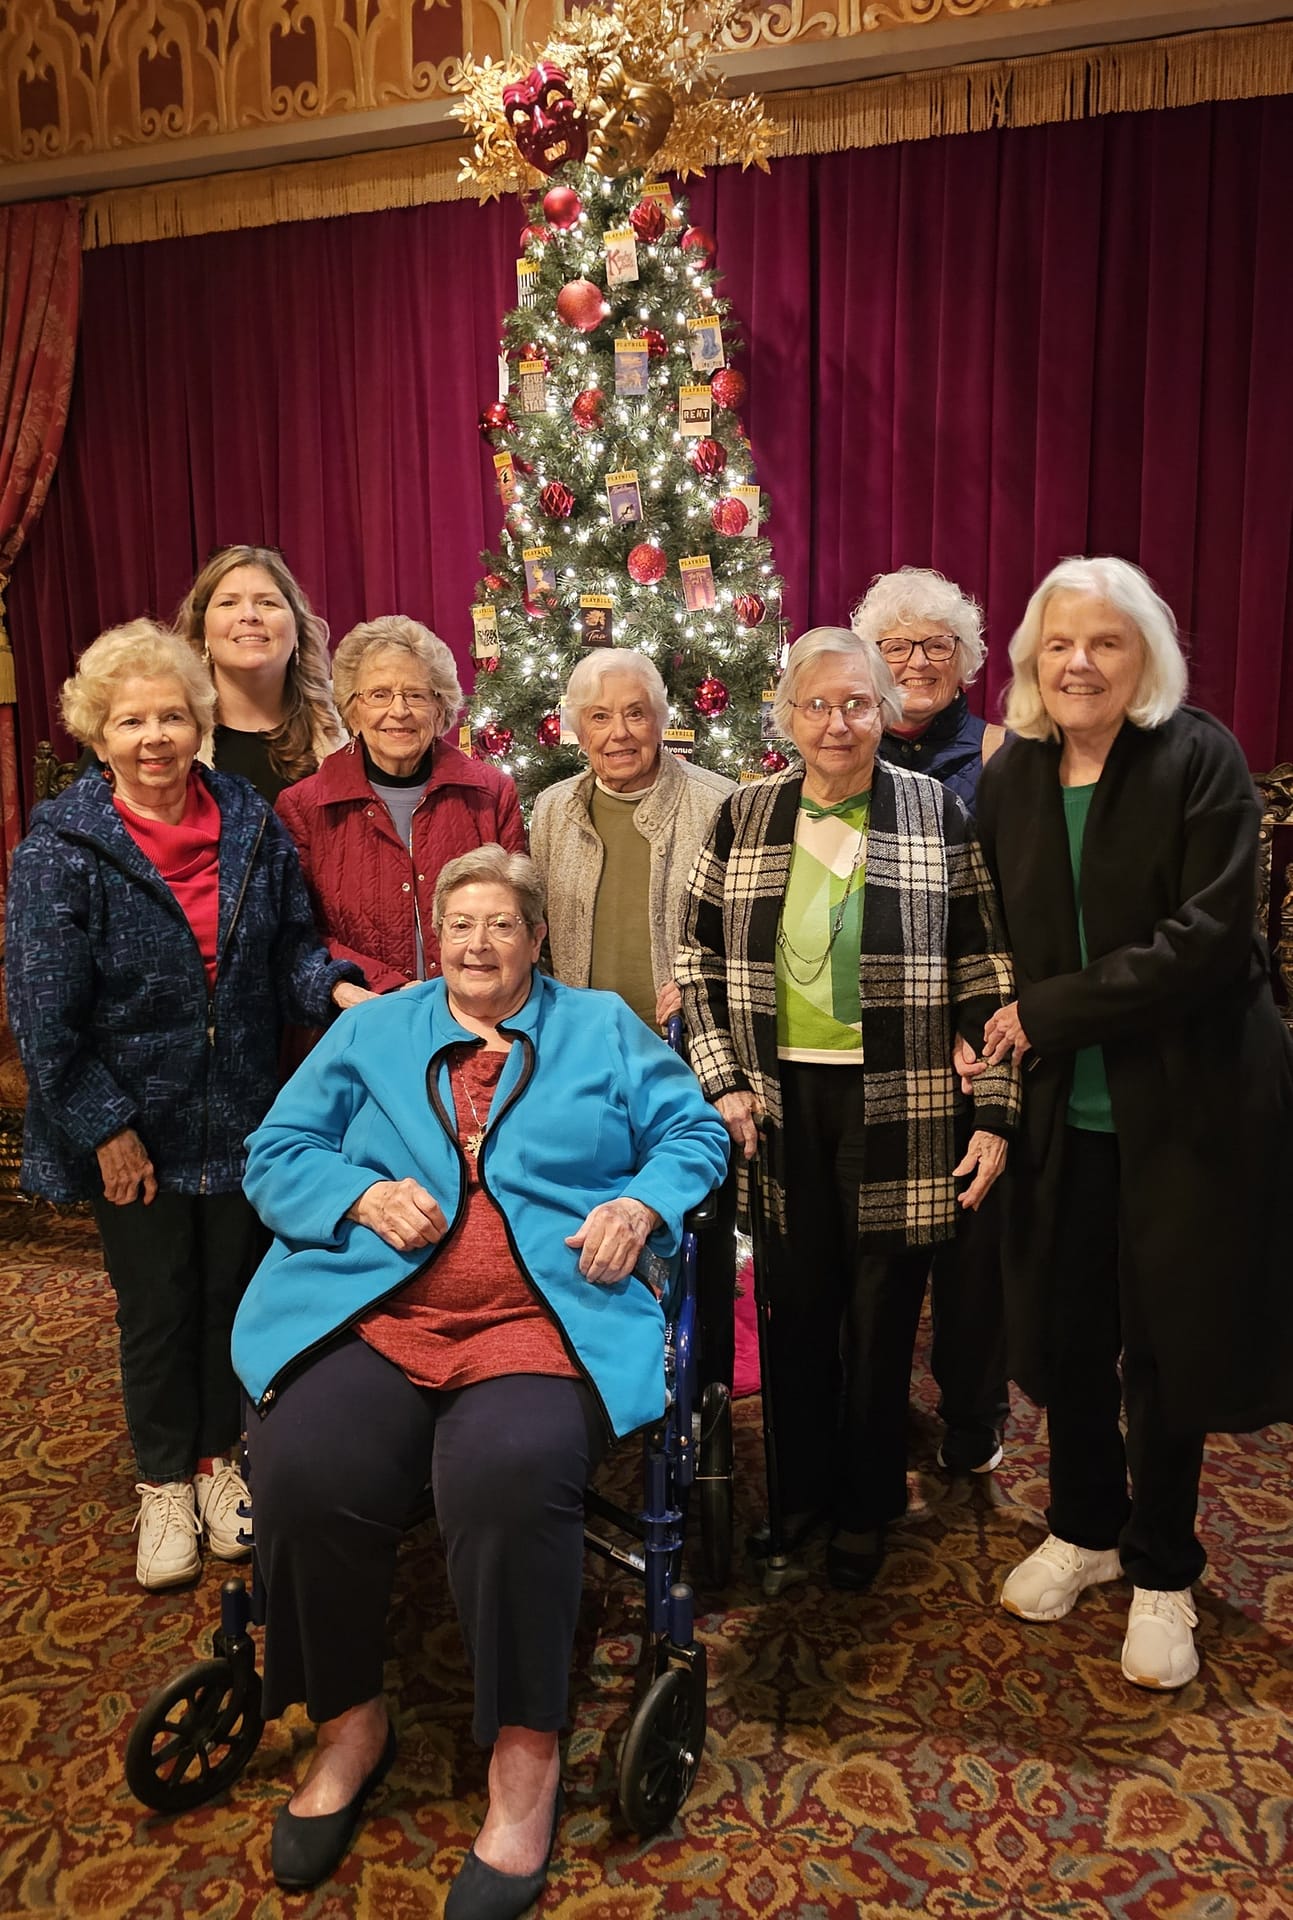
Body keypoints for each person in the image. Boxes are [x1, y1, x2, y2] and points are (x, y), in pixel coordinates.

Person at [231, 845, 729, 1907]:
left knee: (505, 1479)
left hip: (538, 1323)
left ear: (538, 940)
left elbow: (692, 1133)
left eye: (504, 924)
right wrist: (359, 1199)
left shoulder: (598, 1027)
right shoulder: (373, 1029)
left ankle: (525, 1756)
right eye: (462, 924)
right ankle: (350, 1721)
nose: (479, 943)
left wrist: (640, 1203)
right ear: (436, 938)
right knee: (305, 1466)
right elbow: (275, 1151)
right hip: (381, 1315)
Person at [970, 556, 1293, 1690]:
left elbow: (1209, 944)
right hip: (1065, 1110)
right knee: (1063, 1329)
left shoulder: (1198, 757)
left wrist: (1043, 1012)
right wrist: (982, 1018)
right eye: (1058, 643)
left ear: (1144, 655)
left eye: (1105, 642)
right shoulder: (1010, 777)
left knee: (1166, 1341)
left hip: (1190, 1102)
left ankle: (1164, 1568)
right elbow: (989, 932)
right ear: (1029, 660)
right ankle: (1086, 1526)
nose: (1079, 663)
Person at [5, 621, 368, 1591]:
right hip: (136, 1131)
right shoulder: (65, 846)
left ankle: (218, 1464)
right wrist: (105, 1128)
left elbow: (289, 945)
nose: (155, 736)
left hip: (243, 1117)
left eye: (171, 715)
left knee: (231, 1298)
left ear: (199, 721)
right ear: (99, 732)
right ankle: (162, 1482)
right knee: (157, 1307)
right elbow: (43, 1013)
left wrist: (333, 990)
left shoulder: (248, 820)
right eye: (132, 721)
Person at [676, 627, 1019, 1593]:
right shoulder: (742, 816)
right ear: (784, 715)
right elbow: (694, 963)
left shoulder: (935, 812)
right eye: (818, 704)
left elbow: (982, 964)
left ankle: (865, 1505)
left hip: (901, 1101)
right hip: (777, 1107)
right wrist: (722, 1081)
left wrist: (992, 1107)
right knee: (793, 1310)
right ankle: (798, 1499)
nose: (838, 722)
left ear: (885, 713)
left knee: (879, 1317)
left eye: (858, 703)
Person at [531, 648, 739, 1383]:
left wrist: (700, 976)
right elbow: (539, 937)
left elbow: (744, 928)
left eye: (635, 712)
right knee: (588, 1217)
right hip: (581, 1060)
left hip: (681, 1062)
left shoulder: (718, 803)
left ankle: (703, 1372)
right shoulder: (554, 808)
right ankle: (592, 1371)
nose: (618, 732)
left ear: (661, 719)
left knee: (691, 1218)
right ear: (573, 727)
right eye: (598, 715)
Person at [852, 567, 1009, 1475]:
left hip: (968, 1038)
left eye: (936, 645)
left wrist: (970, 1017)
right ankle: (869, 1409)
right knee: (872, 1242)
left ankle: (970, 1412)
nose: (915, 662)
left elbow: (1011, 911)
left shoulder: (999, 756)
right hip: (867, 1037)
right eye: (897, 646)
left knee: (970, 1241)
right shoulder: (845, 748)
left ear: (966, 661)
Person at [276, 616, 525, 990]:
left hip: (478, 1013)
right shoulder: (303, 807)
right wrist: (389, 990)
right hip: (360, 1018)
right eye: (379, 694)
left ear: (440, 708)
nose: (399, 710)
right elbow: (300, 934)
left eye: (416, 694)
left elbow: (516, 917)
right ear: (352, 709)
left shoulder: (492, 794)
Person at [175, 543, 346, 802]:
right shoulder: (168, 729)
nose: (249, 615)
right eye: (228, 603)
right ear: (204, 633)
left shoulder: (348, 724)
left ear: (297, 630)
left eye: (267, 602)